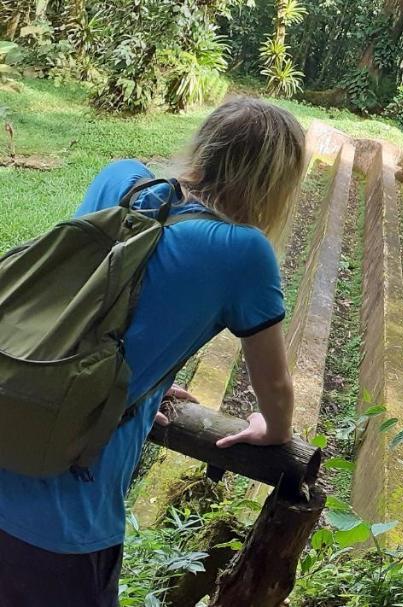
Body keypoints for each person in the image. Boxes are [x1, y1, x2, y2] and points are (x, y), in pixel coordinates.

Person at [0, 98, 306, 606]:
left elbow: (85, 315)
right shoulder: (242, 252)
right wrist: (273, 430)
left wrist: (148, 382)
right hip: (61, 516)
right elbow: (273, 386)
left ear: (205, 144)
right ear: (277, 181)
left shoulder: (120, 179)